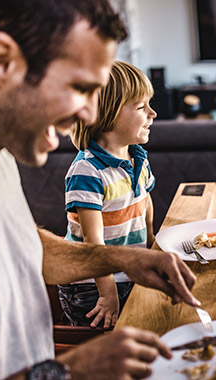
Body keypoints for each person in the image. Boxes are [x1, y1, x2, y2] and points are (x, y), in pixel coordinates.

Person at [0, 1, 200, 379]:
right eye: (80, 87)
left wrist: (125, 260)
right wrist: (71, 370)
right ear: (1, 62)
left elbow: (26, 247)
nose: (89, 114)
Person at [58, 61, 157, 329]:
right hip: (93, 286)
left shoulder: (136, 156)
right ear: (107, 114)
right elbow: (94, 241)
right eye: (141, 107)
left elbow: (144, 200)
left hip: (128, 272)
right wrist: (107, 292)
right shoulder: (87, 170)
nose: (153, 113)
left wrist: (150, 241)